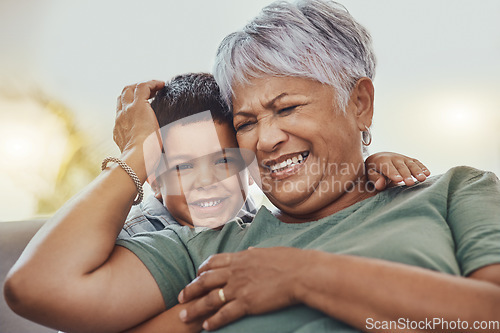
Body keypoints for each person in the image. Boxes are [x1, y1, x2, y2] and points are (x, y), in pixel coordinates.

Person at [6, 2, 499, 333]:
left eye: (286, 109)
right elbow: (36, 288)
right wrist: (141, 148)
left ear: (361, 104)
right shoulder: (204, 239)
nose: (265, 139)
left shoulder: (454, 192)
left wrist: (302, 276)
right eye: (245, 122)